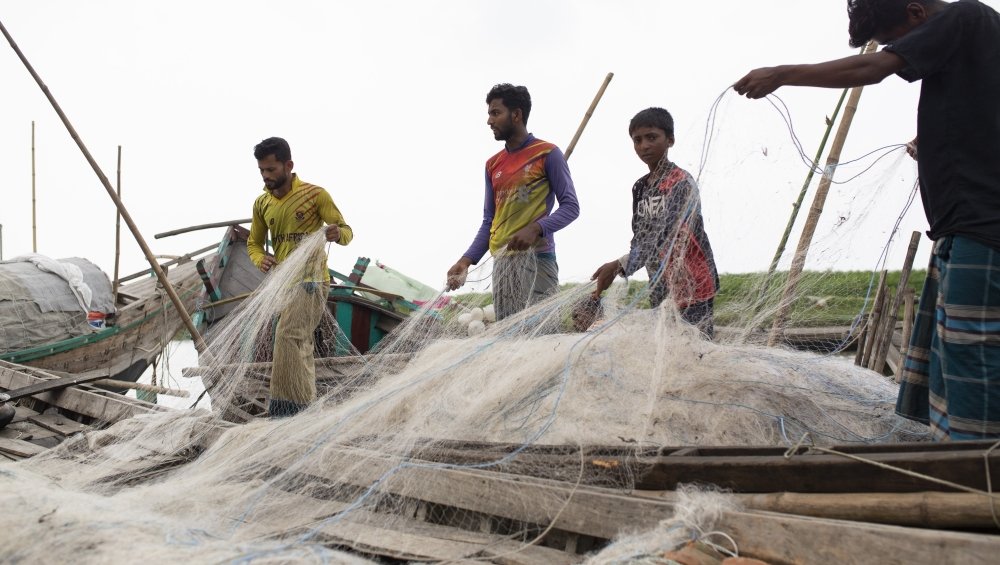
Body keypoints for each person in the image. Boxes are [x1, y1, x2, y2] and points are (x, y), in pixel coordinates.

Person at [733, 0, 1000, 441]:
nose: (899, 51)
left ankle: (978, 487)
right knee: (950, 366)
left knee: (974, 366)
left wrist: (781, 73)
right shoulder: (977, 39)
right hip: (965, 229)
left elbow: (872, 69)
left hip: (981, 232)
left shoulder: (963, 16)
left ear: (917, 13)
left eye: (897, 41)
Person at [445, 83, 581, 321]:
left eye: (495, 113)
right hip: (503, 265)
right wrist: (466, 260)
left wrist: (537, 228)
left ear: (516, 115)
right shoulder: (493, 164)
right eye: (489, 113)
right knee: (507, 339)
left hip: (538, 260)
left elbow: (571, 207)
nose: (489, 121)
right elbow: (490, 221)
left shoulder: (548, 153)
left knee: (540, 337)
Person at [585, 107, 719, 338]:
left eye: (651, 138)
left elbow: (666, 233)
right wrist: (621, 265)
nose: (644, 146)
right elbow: (640, 238)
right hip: (660, 286)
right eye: (637, 140)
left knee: (693, 351)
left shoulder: (682, 183)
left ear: (670, 140)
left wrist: (619, 265)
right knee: (665, 352)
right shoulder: (640, 188)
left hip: (693, 286)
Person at [247, 137, 353, 418]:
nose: (266, 176)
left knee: (289, 335)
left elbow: (346, 231)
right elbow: (253, 244)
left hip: (312, 280)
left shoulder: (316, 195)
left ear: (288, 165)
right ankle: (304, 408)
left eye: (271, 170)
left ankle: (289, 409)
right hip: (283, 284)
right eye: (262, 171)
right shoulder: (262, 204)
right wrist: (261, 259)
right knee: (299, 342)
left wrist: (336, 233)